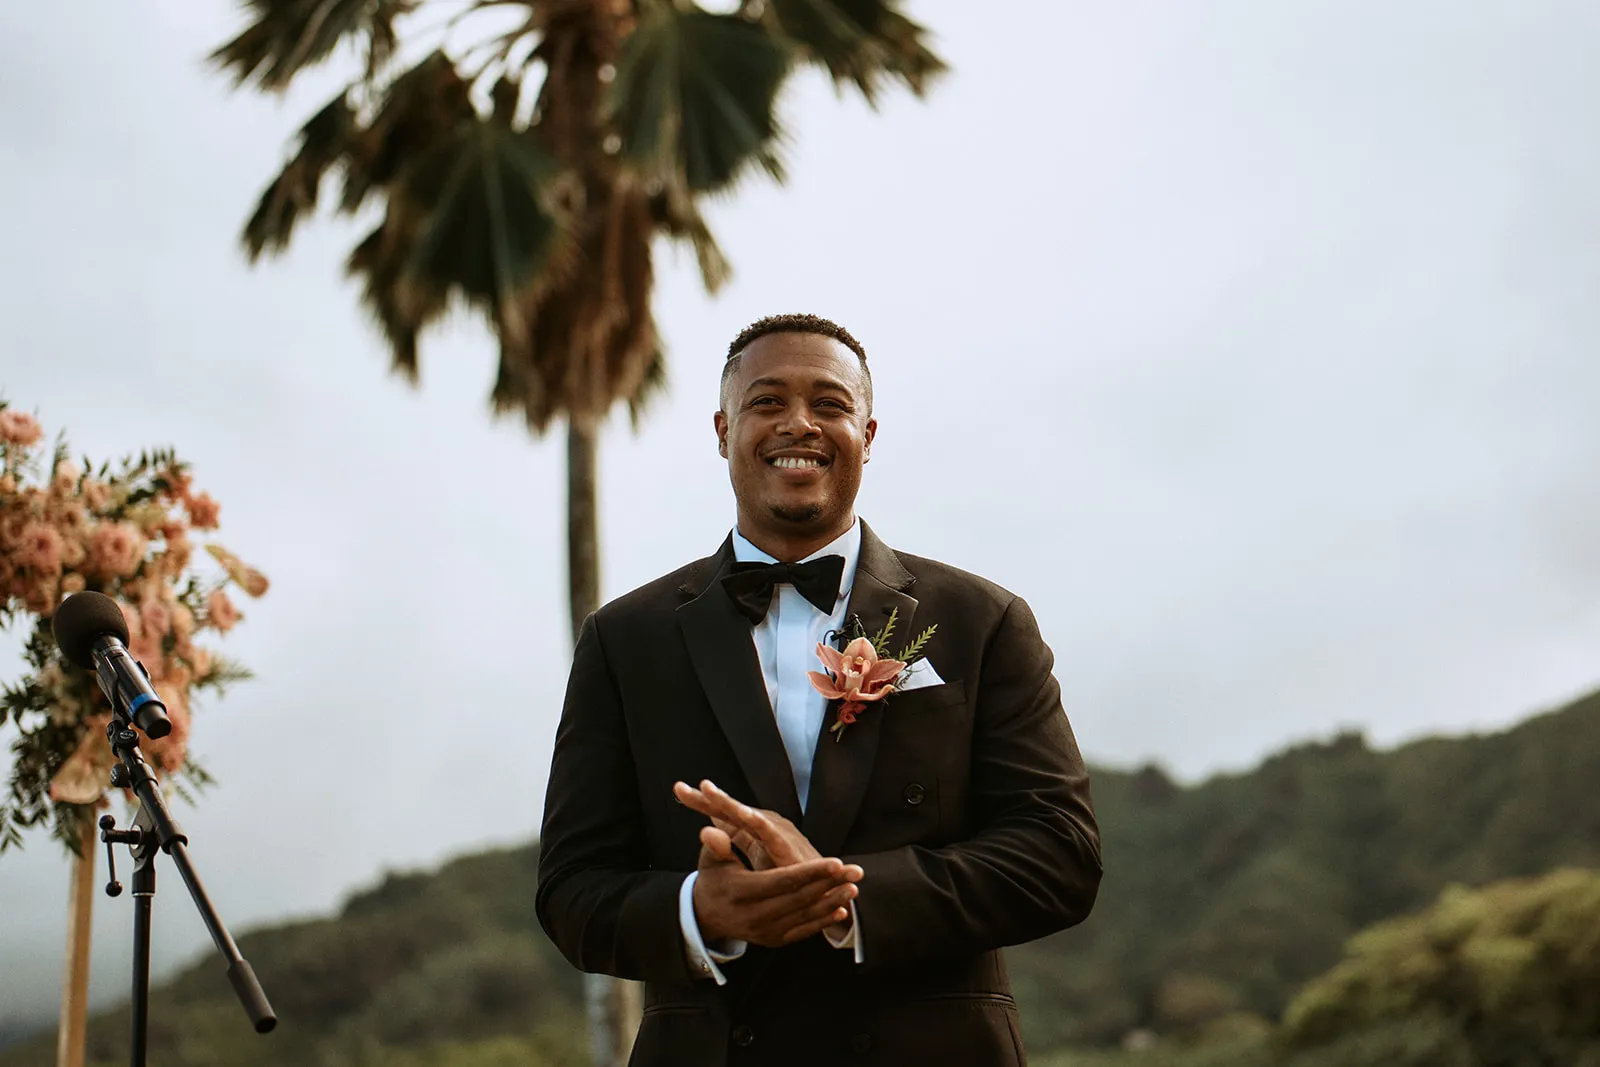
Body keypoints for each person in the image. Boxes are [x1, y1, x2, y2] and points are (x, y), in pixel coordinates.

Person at [536, 314, 1101, 1066]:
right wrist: (700, 911)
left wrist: (848, 901)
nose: (798, 422)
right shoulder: (625, 639)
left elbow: (1059, 855)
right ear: (723, 428)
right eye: (767, 401)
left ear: (867, 434)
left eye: (830, 404)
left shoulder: (981, 619)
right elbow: (572, 890)